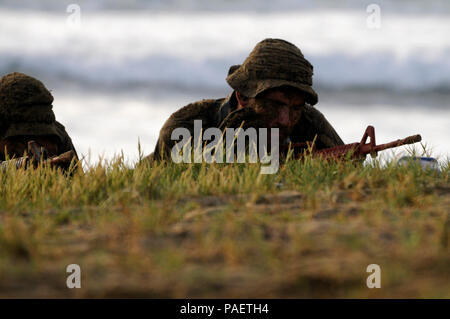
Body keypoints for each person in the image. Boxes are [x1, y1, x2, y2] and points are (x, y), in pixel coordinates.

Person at [146, 38, 344, 162]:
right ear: (242, 96)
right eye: (275, 105)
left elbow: (351, 162)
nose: (286, 120)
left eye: (296, 107)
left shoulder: (307, 119)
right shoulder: (188, 123)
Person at [0, 72, 78, 169]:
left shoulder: (60, 137)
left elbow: (79, 180)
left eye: (45, 137)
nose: (36, 147)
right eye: (21, 140)